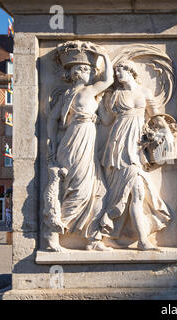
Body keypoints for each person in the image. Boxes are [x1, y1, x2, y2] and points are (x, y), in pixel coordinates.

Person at [98, 59, 172, 251]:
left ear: (130, 70)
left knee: (134, 192)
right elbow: (106, 120)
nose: (117, 75)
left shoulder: (144, 92)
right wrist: (98, 100)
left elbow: (157, 118)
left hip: (136, 146)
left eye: (120, 70)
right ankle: (126, 238)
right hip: (118, 145)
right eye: (115, 72)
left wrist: (166, 134)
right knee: (126, 192)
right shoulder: (115, 94)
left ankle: (114, 235)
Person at [47, 41, 114, 251]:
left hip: (87, 139)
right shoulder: (73, 94)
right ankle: (52, 235)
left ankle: (94, 239)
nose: (85, 72)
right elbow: (51, 120)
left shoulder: (89, 91)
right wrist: (52, 146)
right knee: (78, 190)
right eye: (81, 69)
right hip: (74, 141)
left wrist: (103, 55)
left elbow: (109, 79)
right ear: (74, 73)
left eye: (87, 69)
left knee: (99, 190)